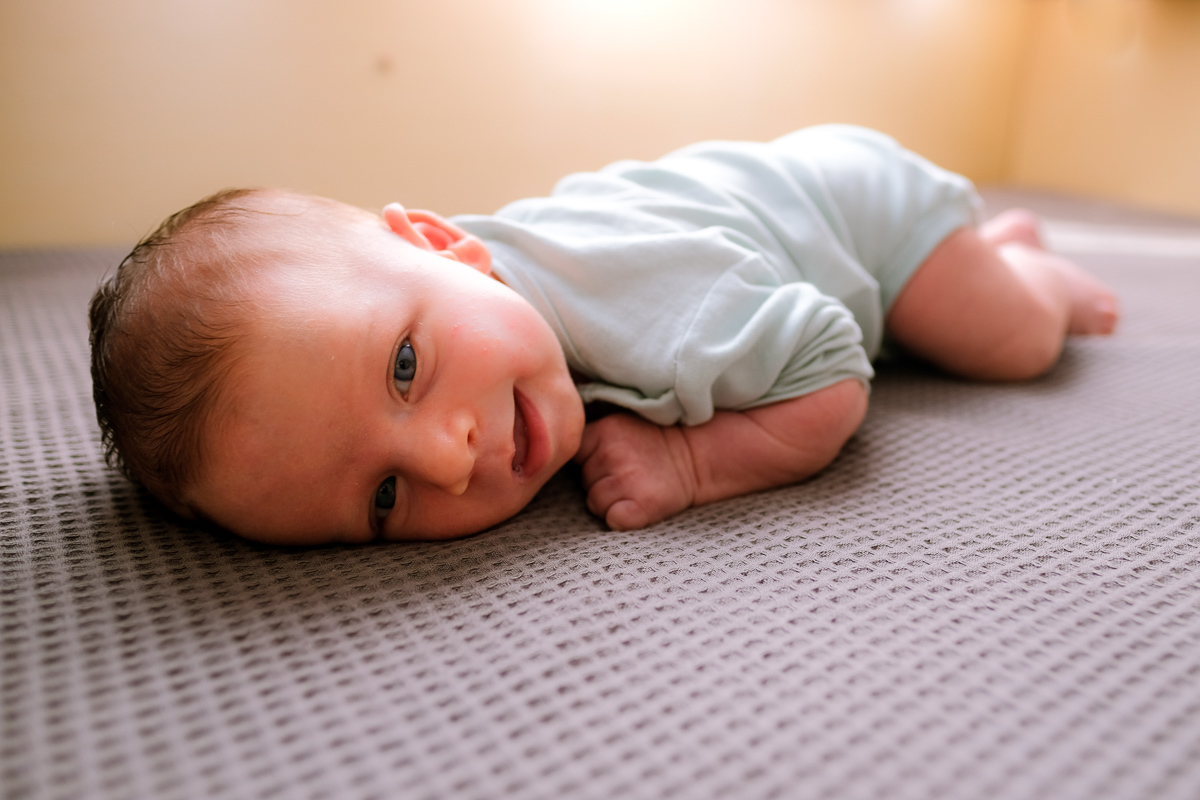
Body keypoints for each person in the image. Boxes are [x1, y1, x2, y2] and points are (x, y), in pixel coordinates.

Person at [88, 125, 1118, 546]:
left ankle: (1025, 263)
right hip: (761, 203)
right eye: (384, 496)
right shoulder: (462, 299)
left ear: (448, 244)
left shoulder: (671, 315)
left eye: (405, 366)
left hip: (868, 215)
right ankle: (995, 248)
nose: (448, 456)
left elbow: (835, 362)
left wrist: (692, 461)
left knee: (1013, 342)